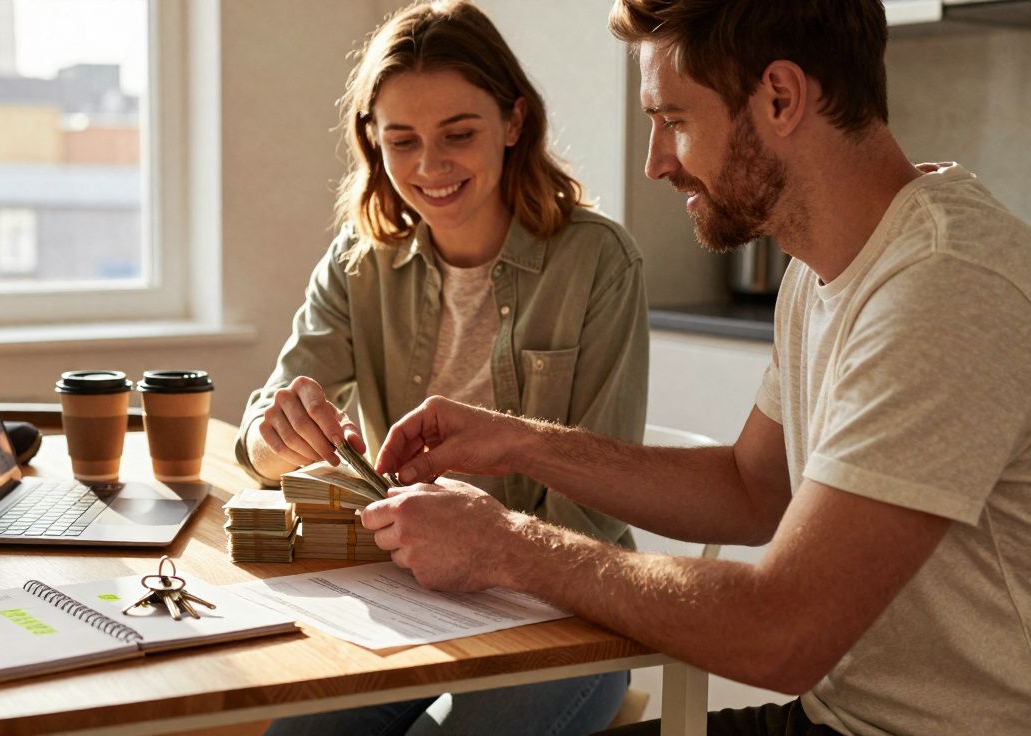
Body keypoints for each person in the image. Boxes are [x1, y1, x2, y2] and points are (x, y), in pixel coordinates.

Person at [362, 1, 1031, 735]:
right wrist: (519, 443)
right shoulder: (823, 267)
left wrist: (506, 545)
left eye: (674, 119)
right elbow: (751, 489)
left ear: (781, 97)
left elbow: (783, 632)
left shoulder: (944, 285)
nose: (656, 161)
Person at [236, 2, 651, 733]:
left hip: (563, 613)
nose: (429, 168)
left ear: (514, 123)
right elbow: (261, 441)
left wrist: (486, 549)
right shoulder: (357, 265)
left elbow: (600, 501)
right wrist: (277, 432)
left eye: (459, 134)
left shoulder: (598, 264)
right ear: (373, 141)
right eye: (402, 141)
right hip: (406, 594)